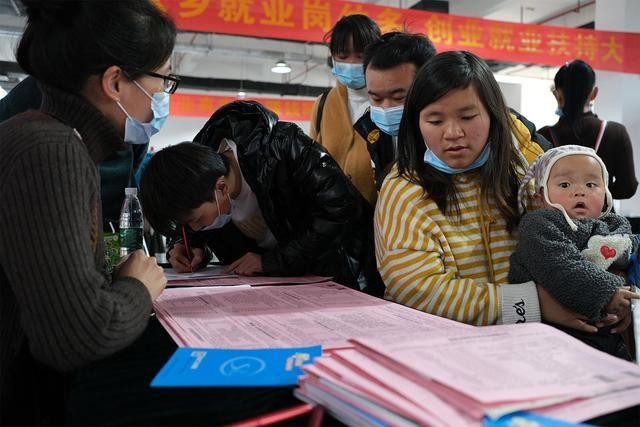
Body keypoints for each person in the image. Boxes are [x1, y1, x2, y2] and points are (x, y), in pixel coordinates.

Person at [374, 50, 633, 332]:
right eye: (435, 121)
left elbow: (579, 240)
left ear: (494, 115)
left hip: (531, 345)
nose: (452, 133)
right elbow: (417, 288)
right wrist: (533, 304)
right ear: (416, 123)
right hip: (446, 344)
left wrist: (615, 293)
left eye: (468, 117)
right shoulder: (405, 190)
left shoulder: (524, 177)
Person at [140, 100, 384, 297]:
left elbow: (341, 209)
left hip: (341, 276)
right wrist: (187, 245)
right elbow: (191, 223)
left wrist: (271, 261)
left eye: (196, 221)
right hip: (274, 290)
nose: (194, 227)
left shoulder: (285, 147)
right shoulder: (198, 179)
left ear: (221, 186)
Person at [356, 31, 551, 192]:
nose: (386, 108)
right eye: (376, 98)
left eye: (399, 97)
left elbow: (553, 180)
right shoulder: (369, 131)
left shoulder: (510, 130)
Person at [510, 145, 639, 359]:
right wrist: (608, 292)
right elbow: (560, 264)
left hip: (606, 336)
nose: (579, 191)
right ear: (540, 197)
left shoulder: (614, 226)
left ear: (605, 194)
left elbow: (631, 255)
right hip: (550, 335)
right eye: (564, 184)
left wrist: (630, 288)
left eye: (591, 184)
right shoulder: (538, 225)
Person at [0, 75, 151, 230]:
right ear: (113, 81)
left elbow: (133, 165)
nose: (161, 93)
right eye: (163, 80)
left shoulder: (133, 126)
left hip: (108, 228)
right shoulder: (45, 99)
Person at [539, 59, 638, 200]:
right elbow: (628, 188)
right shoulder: (615, 132)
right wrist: (598, 193)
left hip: (556, 219)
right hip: (603, 219)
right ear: (594, 93)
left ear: (557, 94)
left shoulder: (543, 136)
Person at [309, 14, 381, 205]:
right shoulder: (323, 104)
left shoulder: (389, 104)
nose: (352, 63)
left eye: (361, 56)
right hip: (332, 217)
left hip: (377, 219)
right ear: (333, 57)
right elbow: (310, 161)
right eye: (343, 56)